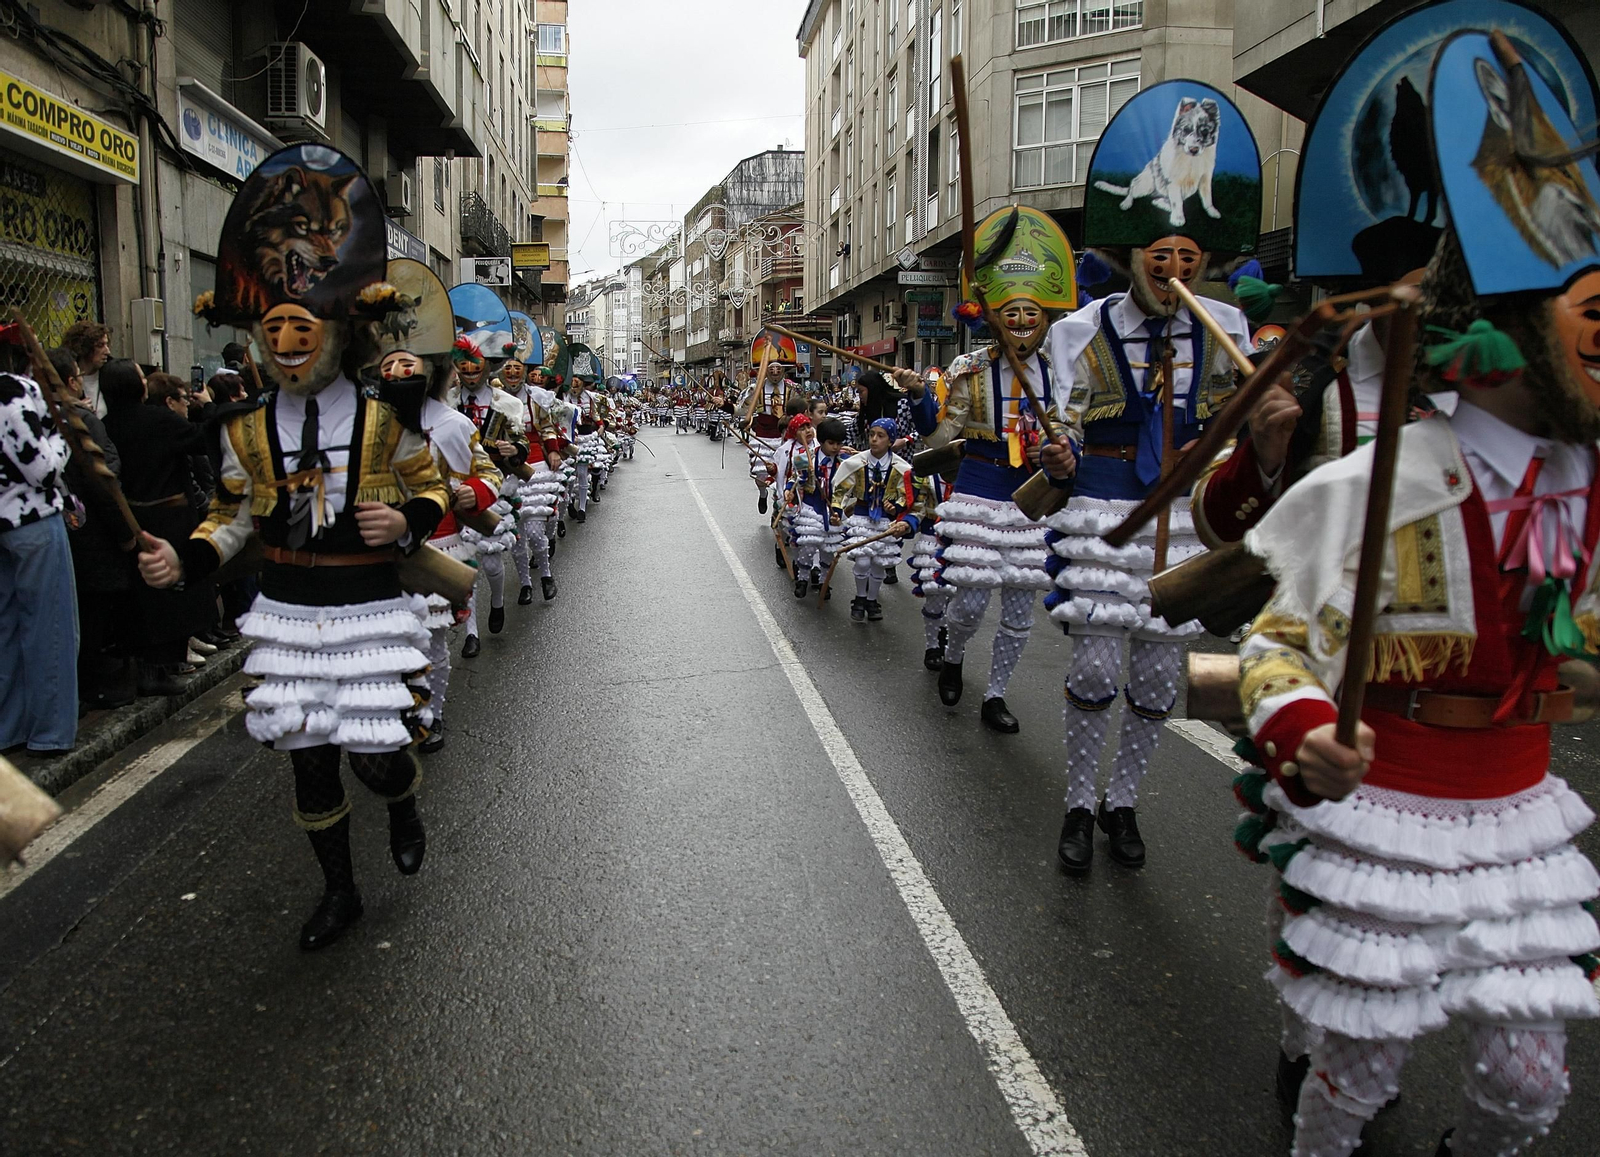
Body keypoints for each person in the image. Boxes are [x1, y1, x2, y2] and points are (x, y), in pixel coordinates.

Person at [138, 144, 447, 951]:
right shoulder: (242, 429)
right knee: (310, 763)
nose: (285, 340)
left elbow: (436, 487)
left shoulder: (386, 420)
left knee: (376, 757)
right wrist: (189, 561)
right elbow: (232, 514)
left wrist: (407, 520)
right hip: (288, 608)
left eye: (300, 326)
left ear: (338, 333)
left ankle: (402, 800)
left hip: (368, 608)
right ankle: (339, 892)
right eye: (272, 327)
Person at [909, 206, 1077, 735]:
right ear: (993, 313)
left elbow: (1074, 433)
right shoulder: (969, 368)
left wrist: (1067, 452)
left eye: (1034, 314)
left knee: (1021, 610)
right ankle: (954, 654)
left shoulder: (1060, 373)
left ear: (1046, 316)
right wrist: (920, 401)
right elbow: (938, 437)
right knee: (971, 600)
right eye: (1013, 313)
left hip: (1033, 495)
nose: (1024, 323)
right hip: (980, 488)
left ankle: (997, 695)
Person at [373, 259, 502, 756]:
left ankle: (431, 716)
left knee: (428, 643)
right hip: (376, 550)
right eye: (389, 366)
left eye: (409, 365)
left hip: (438, 541)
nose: (399, 373)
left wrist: (475, 492)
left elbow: (485, 473)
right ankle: (392, 712)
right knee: (384, 646)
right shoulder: (362, 423)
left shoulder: (452, 424)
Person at [101, 359, 217, 695]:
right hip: (169, 516)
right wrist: (207, 409)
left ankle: (155, 668)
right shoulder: (158, 419)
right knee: (171, 597)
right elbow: (202, 440)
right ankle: (159, 669)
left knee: (147, 600)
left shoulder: (107, 424)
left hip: (133, 521)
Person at [0, 328, 78, 754]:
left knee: (4, 631)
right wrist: (62, 432)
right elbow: (44, 469)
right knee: (49, 629)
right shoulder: (16, 392)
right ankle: (49, 733)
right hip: (29, 519)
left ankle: (7, 727)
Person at [450, 283, 526, 656]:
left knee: (493, 563)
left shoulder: (507, 404)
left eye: (474, 363)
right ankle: (470, 634)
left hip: (495, 485)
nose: (468, 370)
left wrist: (516, 449)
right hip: (454, 488)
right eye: (462, 362)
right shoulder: (444, 402)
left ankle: (497, 602)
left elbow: (521, 444)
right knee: (465, 564)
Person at [829, 417, 927, 623]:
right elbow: (842, 488)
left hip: (884, 520)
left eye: (880, 436)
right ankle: (860, 597)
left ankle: (872, 600)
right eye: (872, 434)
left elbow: (907, 491)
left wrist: (897, 505)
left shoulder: (900, 467)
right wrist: (837, 509)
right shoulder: (857, 463)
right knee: (863, 561)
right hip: (863, 515)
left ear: (891, 440)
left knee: (879, 563)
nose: (874, 439)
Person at [62, 320, 112, 417]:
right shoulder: (65, 377)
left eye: (107, 345)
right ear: (84, 347)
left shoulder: (111, 374)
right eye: (100, 345)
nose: (107, 351)